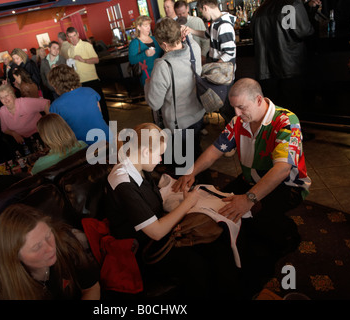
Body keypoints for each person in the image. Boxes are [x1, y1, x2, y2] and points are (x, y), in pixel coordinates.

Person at [173, 78, 311, 296]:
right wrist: (191, 171)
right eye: (233, 107)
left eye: (241, 107)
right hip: (251, 180)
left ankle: (286, 236)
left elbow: (282, 170)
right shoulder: (239, 121)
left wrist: (248, 199)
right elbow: (215, 150)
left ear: (258, 100)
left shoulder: (286, 120)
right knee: (222, 206)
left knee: (253, 223)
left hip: (286, 186)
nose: (236, 114)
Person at [105, 122, 241, 299]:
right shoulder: (123, 182)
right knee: (197, 266)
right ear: (146, 152)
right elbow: (156, 232)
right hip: (141, 249)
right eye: (160, 154)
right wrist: (187, 203)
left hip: (154, 235)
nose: (161, 160)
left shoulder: (137, 166)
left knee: (216, 245)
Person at [0, 203, 100, 300]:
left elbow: (91, 287)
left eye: (48, 236)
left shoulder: (65, 242)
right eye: (37, 247)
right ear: (15, 256)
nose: (50, 248)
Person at [145, 17, 206, 162]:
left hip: (180, 125)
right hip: (198, 114)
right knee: (196, 151)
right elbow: (189, 41)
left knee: (184, 163)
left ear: (164, 45)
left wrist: (148, 84)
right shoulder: (194, 49)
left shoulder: (163, 65)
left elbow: (155, 104)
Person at [250, 0, 315, 116]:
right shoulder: (293, 4)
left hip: (265, 70)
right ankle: (293, 133)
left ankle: (277, 133)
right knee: (292, 110)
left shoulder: (259, 10)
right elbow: (305, 31)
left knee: (273, 111)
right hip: (290, 66)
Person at [181, 0, 237, 123]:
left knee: (226, 107)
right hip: (219, 70)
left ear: (205, 8)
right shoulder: (216, 23)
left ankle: (234, 135)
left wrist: (214, 67)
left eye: (201, 11)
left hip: (223, 73)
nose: (202, 14)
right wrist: (190, 30)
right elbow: (206, 34)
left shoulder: (224, 26)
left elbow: (230, 52)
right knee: (223, 106)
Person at [47, 64, 111, 146]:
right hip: (107, 139)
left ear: (55, 85)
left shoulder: (55, 106)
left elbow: (60, 134)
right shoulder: (90, 91)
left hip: (84, 148)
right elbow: (99, 113)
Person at [66, 27, 109, 124]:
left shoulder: (87, 45)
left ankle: (107, 123)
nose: (73, 39)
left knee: (100, 103)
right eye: (70, 37)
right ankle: (94, 124)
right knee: (87, 106)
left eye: (74, 36)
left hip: (92, 79)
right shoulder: (69, 50)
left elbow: (96, 60)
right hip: (79, 82)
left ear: (77, 35)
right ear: (68, 38)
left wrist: (83, 60)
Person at [0, 84, 49, 154]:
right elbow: (4, 129)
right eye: (2, 98)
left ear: (12, 94)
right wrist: (13, 133)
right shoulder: (2, 110)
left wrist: (49, 123)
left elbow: (45, 103)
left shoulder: (24, 103)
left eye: (7, 96)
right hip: (22, 141)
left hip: (40, 135)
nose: (5, 100)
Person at [128, 15, 163, 87]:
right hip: (147, 76)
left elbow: (161, 54)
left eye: (149, 25)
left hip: (161, 73)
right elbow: (132, 60)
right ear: (138, 27)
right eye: (145, 25)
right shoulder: (135, 43)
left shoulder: (154, 39)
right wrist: (145, 54)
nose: (149, 28)